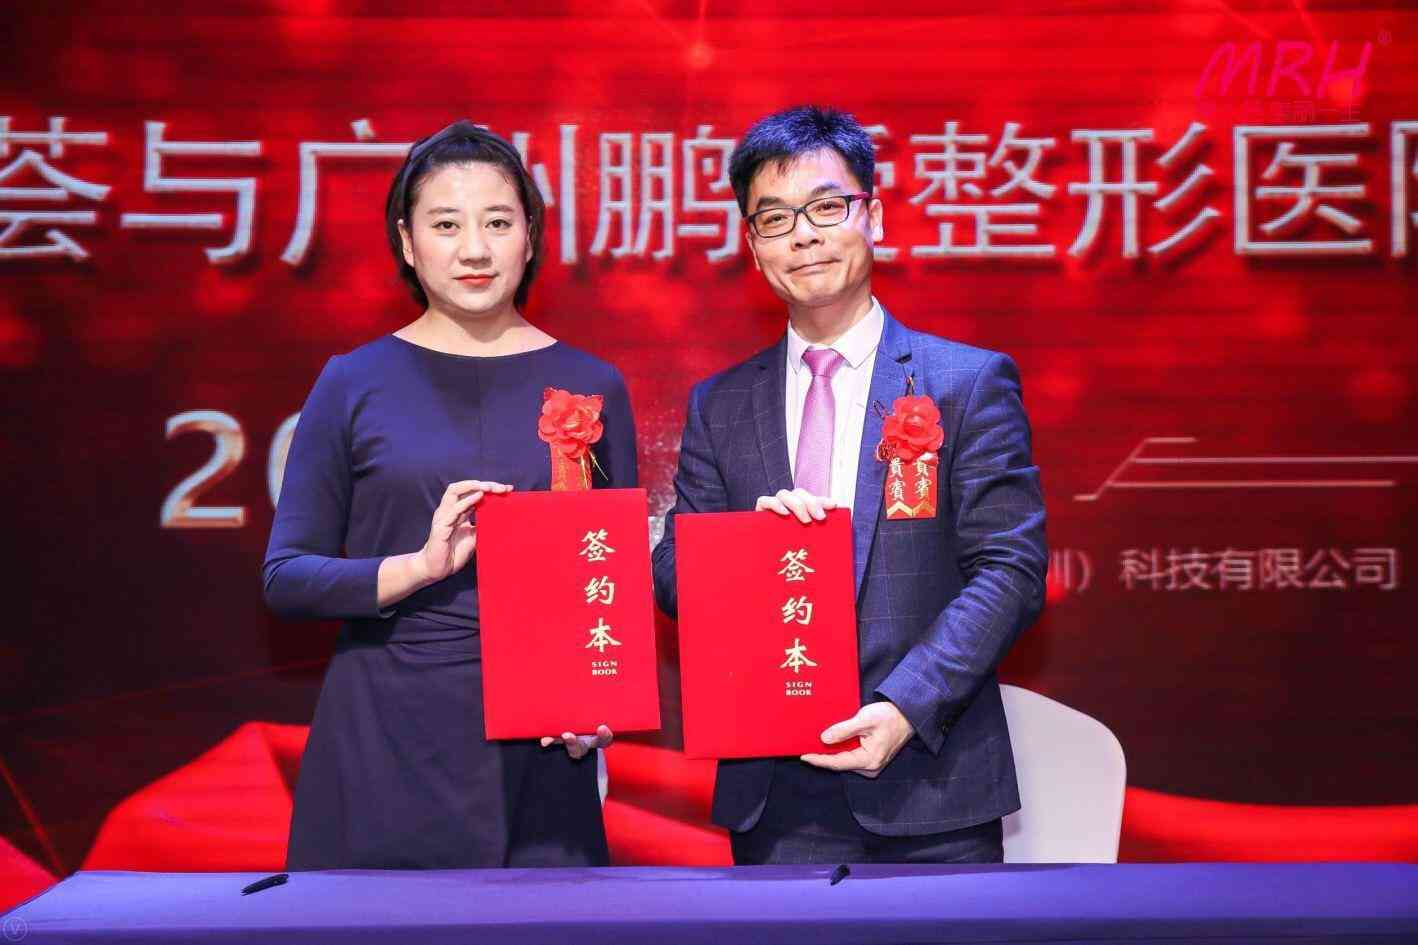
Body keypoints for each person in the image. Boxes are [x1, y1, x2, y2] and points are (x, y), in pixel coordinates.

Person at [651, 105, 1047, 864]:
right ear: (752, 244)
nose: (803, 235)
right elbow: (671, 571)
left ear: (875, 216)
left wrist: (905, 707)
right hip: (775, 796)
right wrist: (744, 549)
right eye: (775, 218)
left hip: (928, 784)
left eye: (827, 207)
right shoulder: (719, 404)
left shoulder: (965, 382)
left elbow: (1010, 570)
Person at [263, 120, 633, 870]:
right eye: (445, 224)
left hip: (541, 748)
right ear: (407, 242)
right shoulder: (351, 381)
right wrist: (419, 567)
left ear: (530, 236)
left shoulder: (594, 384)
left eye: (497, 222)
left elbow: (611, 582)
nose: (474, 249)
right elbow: (287, 577)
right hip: (385, 735)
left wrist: (597, 706)